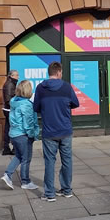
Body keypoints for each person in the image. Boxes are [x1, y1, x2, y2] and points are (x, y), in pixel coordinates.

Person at [33, 61, 79, 202]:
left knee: (49, 162)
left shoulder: (41, 88)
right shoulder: (66, 87)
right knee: (67, 161)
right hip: (65, 130)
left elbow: (36, 107)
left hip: (49, 131)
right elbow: (76, 103)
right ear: (59, 72)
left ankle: (49, 194)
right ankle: (67, 190)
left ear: (49, 73)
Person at [0, 80, 40, 190]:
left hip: (14, 134)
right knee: (26, 159)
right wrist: (33, 135)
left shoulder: (14, 101)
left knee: (18, 156)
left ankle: (7, 175)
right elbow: (28, 123)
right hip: (23, 135)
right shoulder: (26, 105)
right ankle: (25, 182)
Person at [1, 70, 19, 155]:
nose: (18, 77)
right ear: (11, 76)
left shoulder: (10, 83)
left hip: (8, 109)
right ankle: (14, 148)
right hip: (10, 110)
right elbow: (9, 100)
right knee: (14, 128)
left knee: (8, 128)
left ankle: (6, 148)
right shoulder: (10, 84)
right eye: (16, 75)